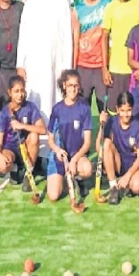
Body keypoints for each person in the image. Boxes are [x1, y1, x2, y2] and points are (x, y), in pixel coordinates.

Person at [16, 0, 73, 124]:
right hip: (34, 64)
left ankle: (54, 132)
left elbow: (67, 36)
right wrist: (20, 64)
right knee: (36, 97)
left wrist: (67, 66)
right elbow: (23, 36)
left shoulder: (61, 2)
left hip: (56, 62)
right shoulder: (30, 4)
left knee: (56, 96)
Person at [71, 0, 111, 120]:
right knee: (82, 109)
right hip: (83, 66)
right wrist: (74, 68)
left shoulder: (107, 4)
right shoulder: (77, 8)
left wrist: (107, 66)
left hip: (101, 66)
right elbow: (75, 40)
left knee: (104, 109)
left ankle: (104, 136)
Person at [46, 70, 93, 202]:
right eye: (70, 85)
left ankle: (77, 179)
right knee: (53, 196)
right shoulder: (57, 109)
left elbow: (87, 143)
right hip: (60, 156)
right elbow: (50, 140)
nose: (73, 89)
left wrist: (74, 160)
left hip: (77, 157)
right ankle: (62, 178)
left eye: (76, 85)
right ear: (64, 86)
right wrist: (57, 150)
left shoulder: (84, 108)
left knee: (87, 169)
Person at [0, 76, 47, 190]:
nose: (20, 95)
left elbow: (43, 130)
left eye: (22, 91)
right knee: (3, 166)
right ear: (10, 92)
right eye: (16, 91)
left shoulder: (30, 107)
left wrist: (21, 126)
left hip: (26, 148)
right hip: (10, 149)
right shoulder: (3, 113)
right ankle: (14, 168)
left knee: (34, 136)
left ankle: (29, 173)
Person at [102, 0, 139, 115]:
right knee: (115, 112)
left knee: (134, 113)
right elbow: (104, 38)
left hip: (135, 70)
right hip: (116, 69)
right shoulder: (110, 8)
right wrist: (105, 68)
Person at [101, 92, 139, 205]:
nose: (126, 114)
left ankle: (128, 184)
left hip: (134, 165)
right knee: (107, 142)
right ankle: (113, 187)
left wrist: (127, 176)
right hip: (119, 163)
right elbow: (99, 148)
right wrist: (102, 125)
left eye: (129, 110)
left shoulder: (138, 125)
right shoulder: (112, 121)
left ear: (133, 109)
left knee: (137, 187)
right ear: (117, 109)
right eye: (122, 110)